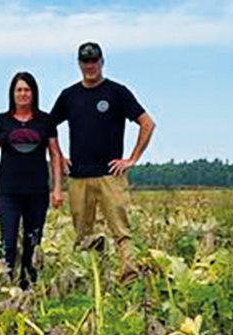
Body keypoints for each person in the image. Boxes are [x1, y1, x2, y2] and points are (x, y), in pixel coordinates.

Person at [49, 41, 155, 275]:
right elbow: (47, 128)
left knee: (121, 231)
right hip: (78, 177)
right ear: (79, 64)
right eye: (85, 61)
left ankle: (128, 277)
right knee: (82, 234)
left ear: (102, 62)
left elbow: (147, 123)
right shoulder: (69, 96)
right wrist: (59, 157)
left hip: (111, 175)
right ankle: (91, 278)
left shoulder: (117, 92)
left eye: (94, 60)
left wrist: (131, 159)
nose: (90, 66)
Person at [0, 71, 63, 289]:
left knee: (32, 243)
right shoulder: (1, 121)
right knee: (7, 242)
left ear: (34, 93)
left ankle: (27, 289)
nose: (23, 94)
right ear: (12, 93)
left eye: (27, 89)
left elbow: (55, 156)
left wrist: (57, 189)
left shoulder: (45, 121)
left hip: (37, 193)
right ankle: (5, 287)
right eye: (19, 89)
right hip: (8, 193)